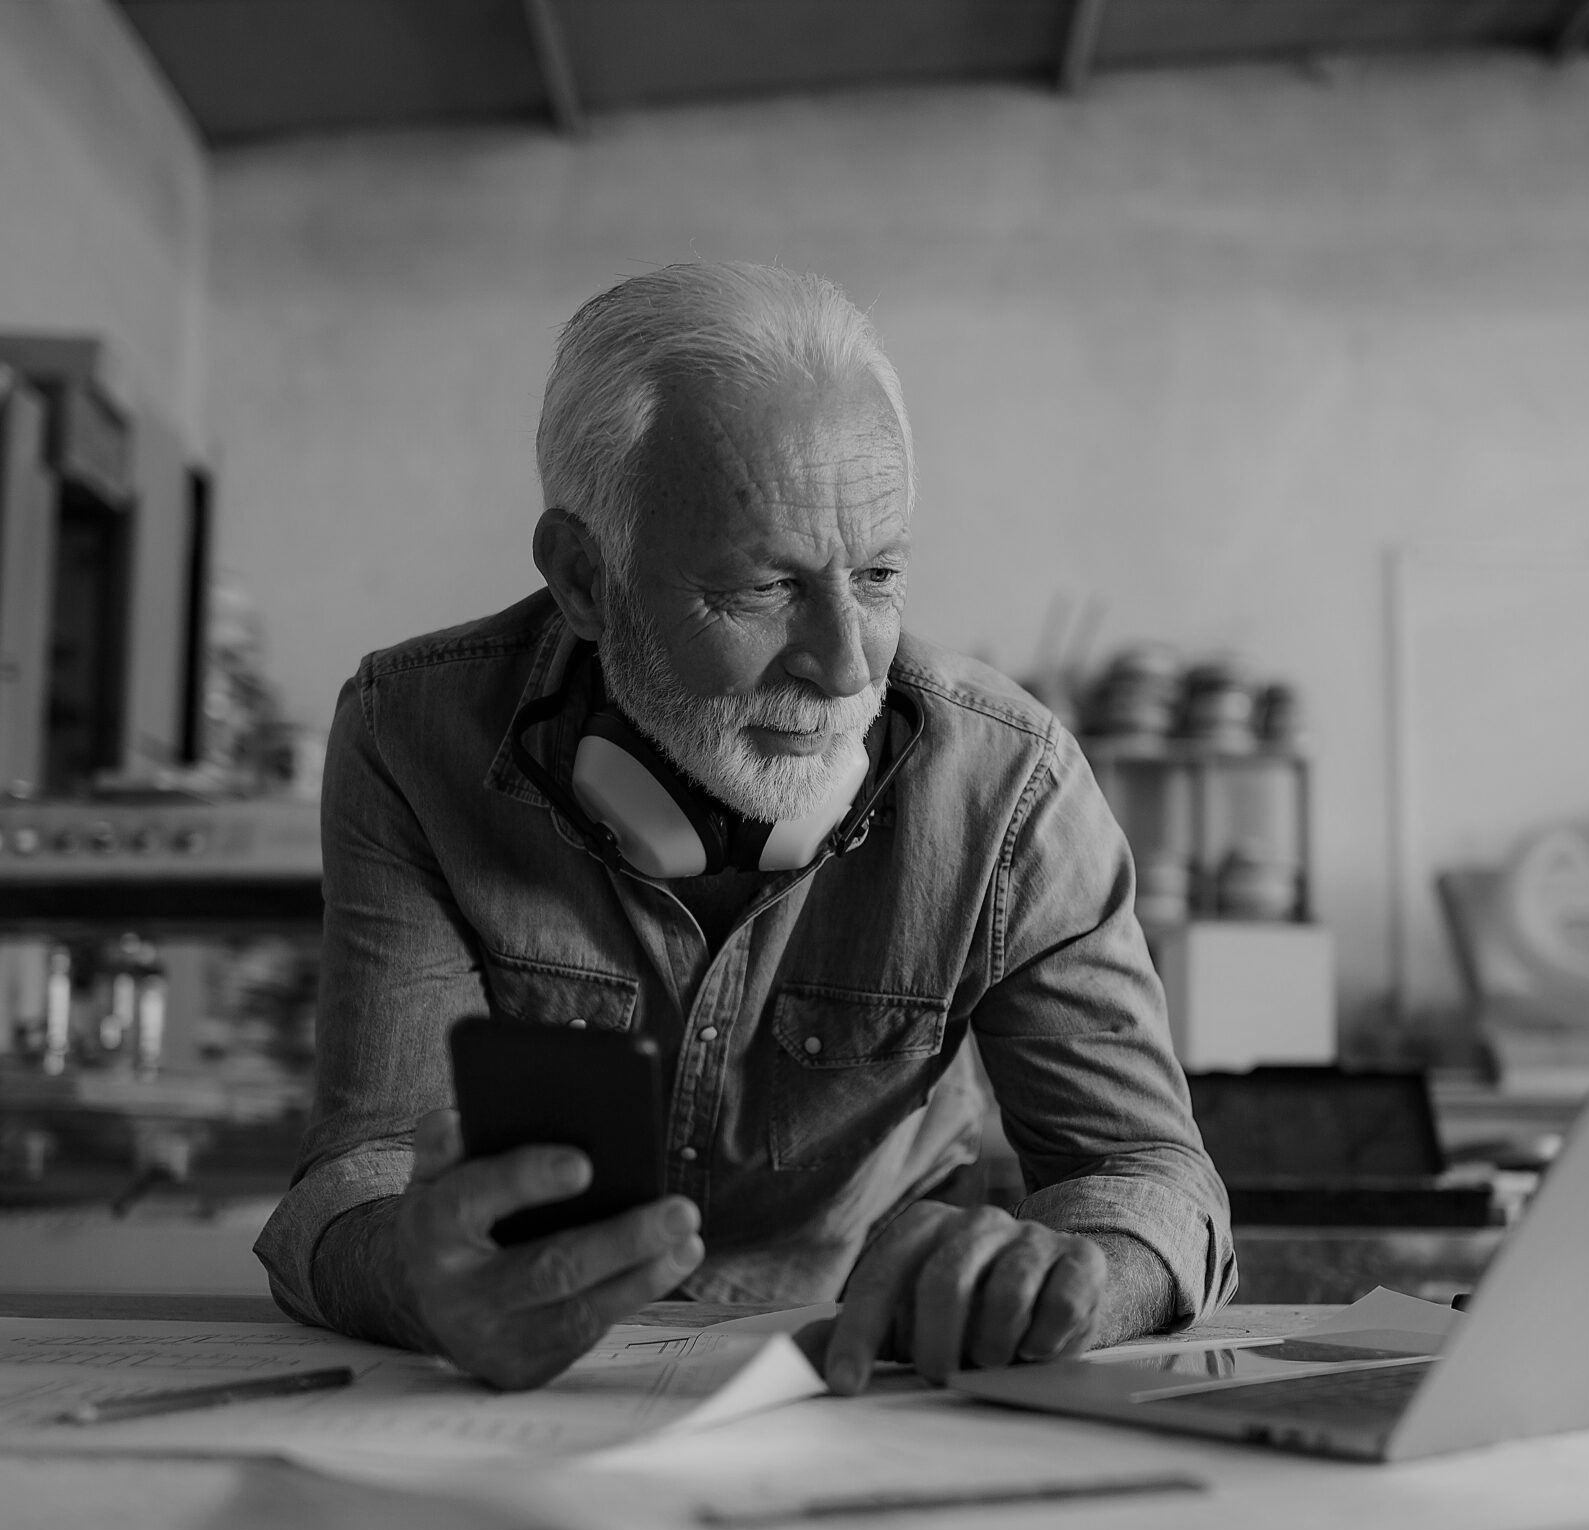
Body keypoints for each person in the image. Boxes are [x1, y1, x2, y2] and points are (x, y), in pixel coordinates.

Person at [257, 261, 1233, 1395]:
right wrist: (419, 1279)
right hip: (530, 1398)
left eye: (875, 575)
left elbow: (1150, 1172)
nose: (845, 665)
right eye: (763, 589)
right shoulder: (409, 737)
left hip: (868, 1379)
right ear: (584, 578)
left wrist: (1076, 1274)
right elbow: (364, 1170)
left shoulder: (1009, 783)